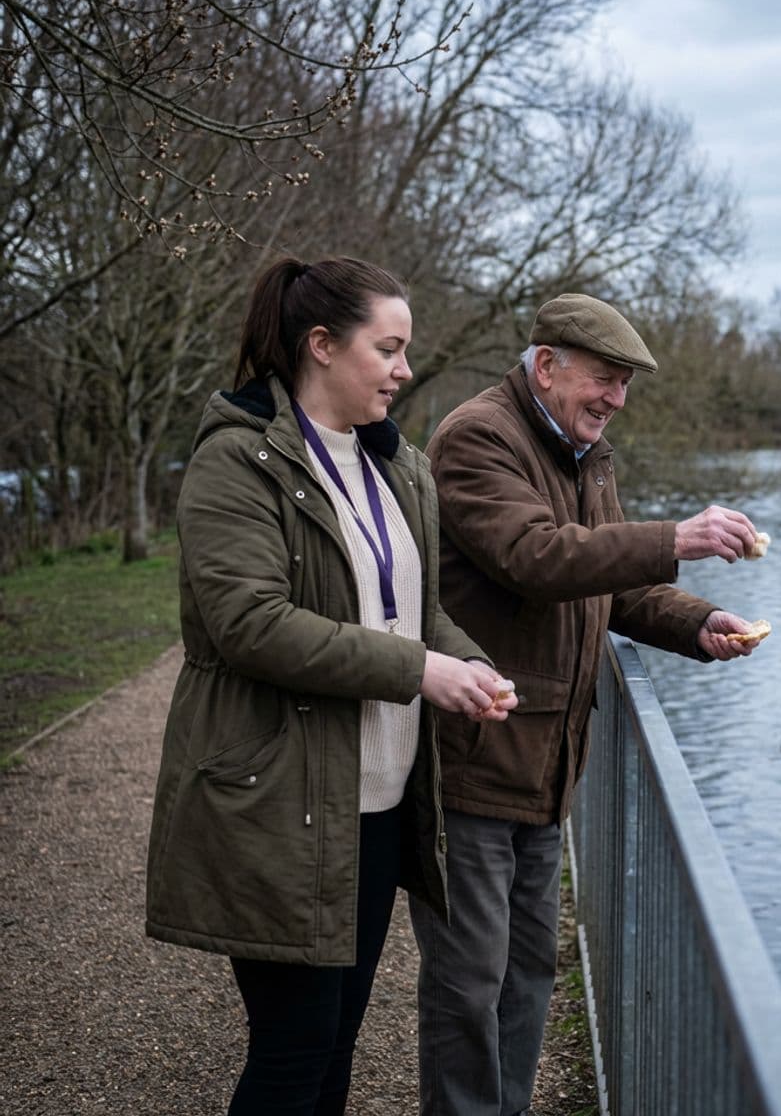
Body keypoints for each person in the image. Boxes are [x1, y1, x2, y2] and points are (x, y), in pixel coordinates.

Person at [145, 256, 517, 1116]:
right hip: (280, 800)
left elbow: (413, 611)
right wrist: (419, 671)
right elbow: (251, 624)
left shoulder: (396, 464)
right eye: (387, 349)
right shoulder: (237, 460)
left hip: (378, 804)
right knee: (294, 1051)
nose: (404, 370)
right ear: (321, 344)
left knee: (337, 1041)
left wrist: (468, 664)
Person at [410, 292, 767, 1116]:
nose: (617, 398)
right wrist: (675, 537)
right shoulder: (477, 437)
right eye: (606, 378)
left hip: (549, 766)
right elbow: (536, 557)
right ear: (546, 365)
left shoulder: (585, 453)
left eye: (625, 384)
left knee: (529, 972)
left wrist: (699, 622)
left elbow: (613, 583)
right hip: (475, 759)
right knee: (469, 985)